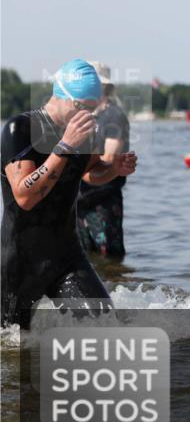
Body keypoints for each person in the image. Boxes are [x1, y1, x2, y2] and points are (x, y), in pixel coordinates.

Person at [2, 59, 137, 328]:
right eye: (84, 108)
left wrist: (114, 169)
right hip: (19, 261)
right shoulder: (21, 129)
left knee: (108, 330)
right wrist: (64, 146)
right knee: (13, 348)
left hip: (66, 255)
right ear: (65, 98)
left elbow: (90, 172)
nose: (89, 115)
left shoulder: (85, 132)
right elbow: (24, 196)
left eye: (93, 108)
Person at [76, 62, 131, 259]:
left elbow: (109, 157)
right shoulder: (86, 117)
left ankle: (116, 287)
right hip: (80, 199)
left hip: (104, 199)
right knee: (83, 257)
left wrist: (73, 169)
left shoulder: (113, 116)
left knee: (110, 257)